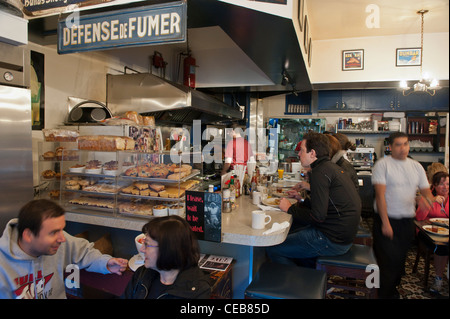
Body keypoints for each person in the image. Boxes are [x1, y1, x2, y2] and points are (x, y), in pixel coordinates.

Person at [0, 199, 128, 299]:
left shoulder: (58, 244)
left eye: (62, 230)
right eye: (54, 232)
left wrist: (105, 263)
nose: (62, 238)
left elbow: (84, 252)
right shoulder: (3, 266)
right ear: (28, 235)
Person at [265, 132, 361, 265]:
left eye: (302, 150)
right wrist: (302, 200)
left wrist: (290, 208)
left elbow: (318, 217)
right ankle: (307, 273)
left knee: (273, 247)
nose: (298, 154)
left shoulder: (319, 172)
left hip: (332, 240)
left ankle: (298, 284)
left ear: (313, 153)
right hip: (342, 235)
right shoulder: (330, 168)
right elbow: (326, 206)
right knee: (291, 231)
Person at [372, 131, 435, 299]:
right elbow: (380, 196)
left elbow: (427, 192)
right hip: (386, 220)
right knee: (388, 264)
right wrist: (385, 223)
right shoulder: (382, 165)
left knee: (399, 262)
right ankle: (385, 295)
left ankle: (392, 291)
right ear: (390, 147)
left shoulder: (416, 166)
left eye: (405, 144)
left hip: (407, 222)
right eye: (398, 144)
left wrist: (426, 199)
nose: (403, 148)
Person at [121, 215, 211, 299]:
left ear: (167, 249)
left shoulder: (197, 291)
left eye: (147, 244)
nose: (142, 249)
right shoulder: (142, 274)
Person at [415, 171, 449, 294]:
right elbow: (419, 217)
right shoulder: (428, 197)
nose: (445, 187)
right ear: (434, 185)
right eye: (441, 184)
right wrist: (432, 201)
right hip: (426, 232)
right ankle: (438, 278)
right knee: (442, 247)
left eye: (448, 184)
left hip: (446, 233)